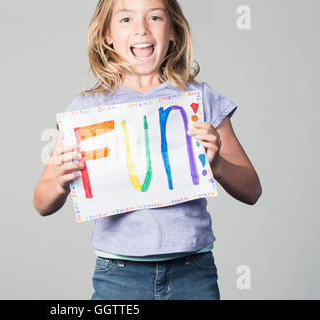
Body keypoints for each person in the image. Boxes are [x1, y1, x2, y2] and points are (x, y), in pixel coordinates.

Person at [33, 0, 262, 300]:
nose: (141, 29)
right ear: (107, 34)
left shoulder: (200, 100)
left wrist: (218, 165)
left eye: (154, 17)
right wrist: (61, 183)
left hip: (192, 271)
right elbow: (41, 201)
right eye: (126, 19)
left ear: (173, 32)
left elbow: (252, 190)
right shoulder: (87, 111)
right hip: (119, 274)